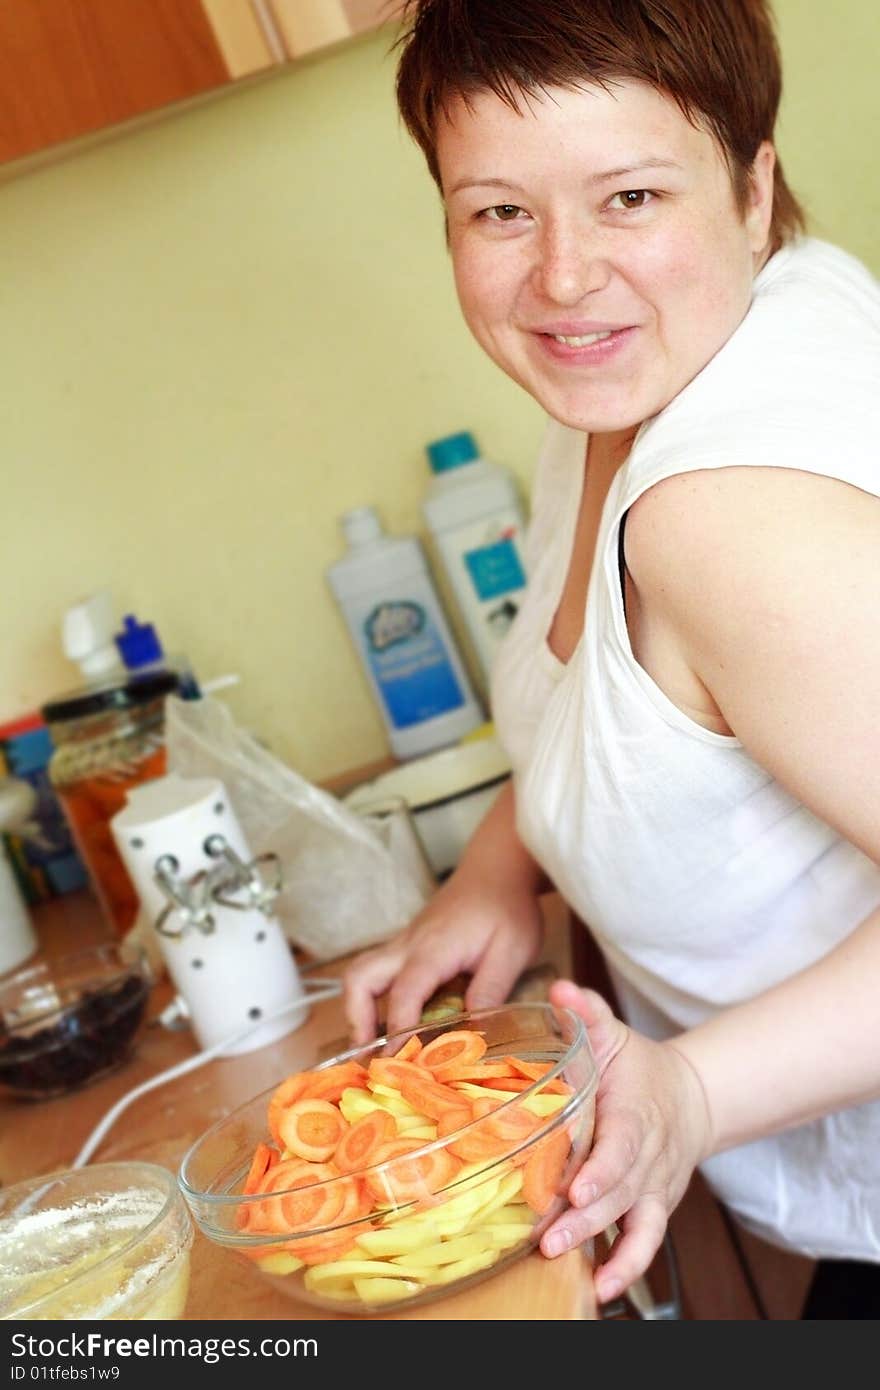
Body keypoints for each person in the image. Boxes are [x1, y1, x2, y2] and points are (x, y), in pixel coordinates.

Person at [342, 0, 880, 1318]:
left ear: (754, 188)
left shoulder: (728, 518)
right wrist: (499, 865)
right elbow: (632, 710)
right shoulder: (647, 360)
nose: (564, 275)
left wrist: (689, 1087)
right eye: (498, 212)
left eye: (629, 194)